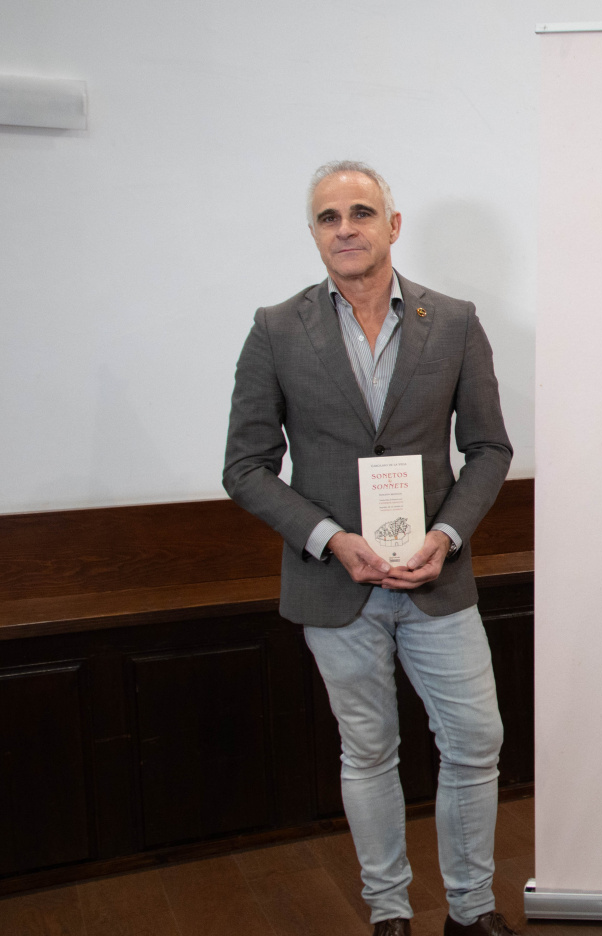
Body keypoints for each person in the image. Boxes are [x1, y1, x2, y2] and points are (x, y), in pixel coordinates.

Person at [223, 161, 520, 936]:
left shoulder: (453, 321)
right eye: (329, 217)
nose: (345, 227)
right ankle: (389, 913)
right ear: (315, 233)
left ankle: (469, 909)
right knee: (369, 750)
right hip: (336, 584)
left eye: (361, 212)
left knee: (475, 740)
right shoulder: (276, 328)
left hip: (434, 579)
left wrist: (446, 535)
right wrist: (332, 540)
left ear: (393, 225)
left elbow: (488, 448)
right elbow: (245, 468)